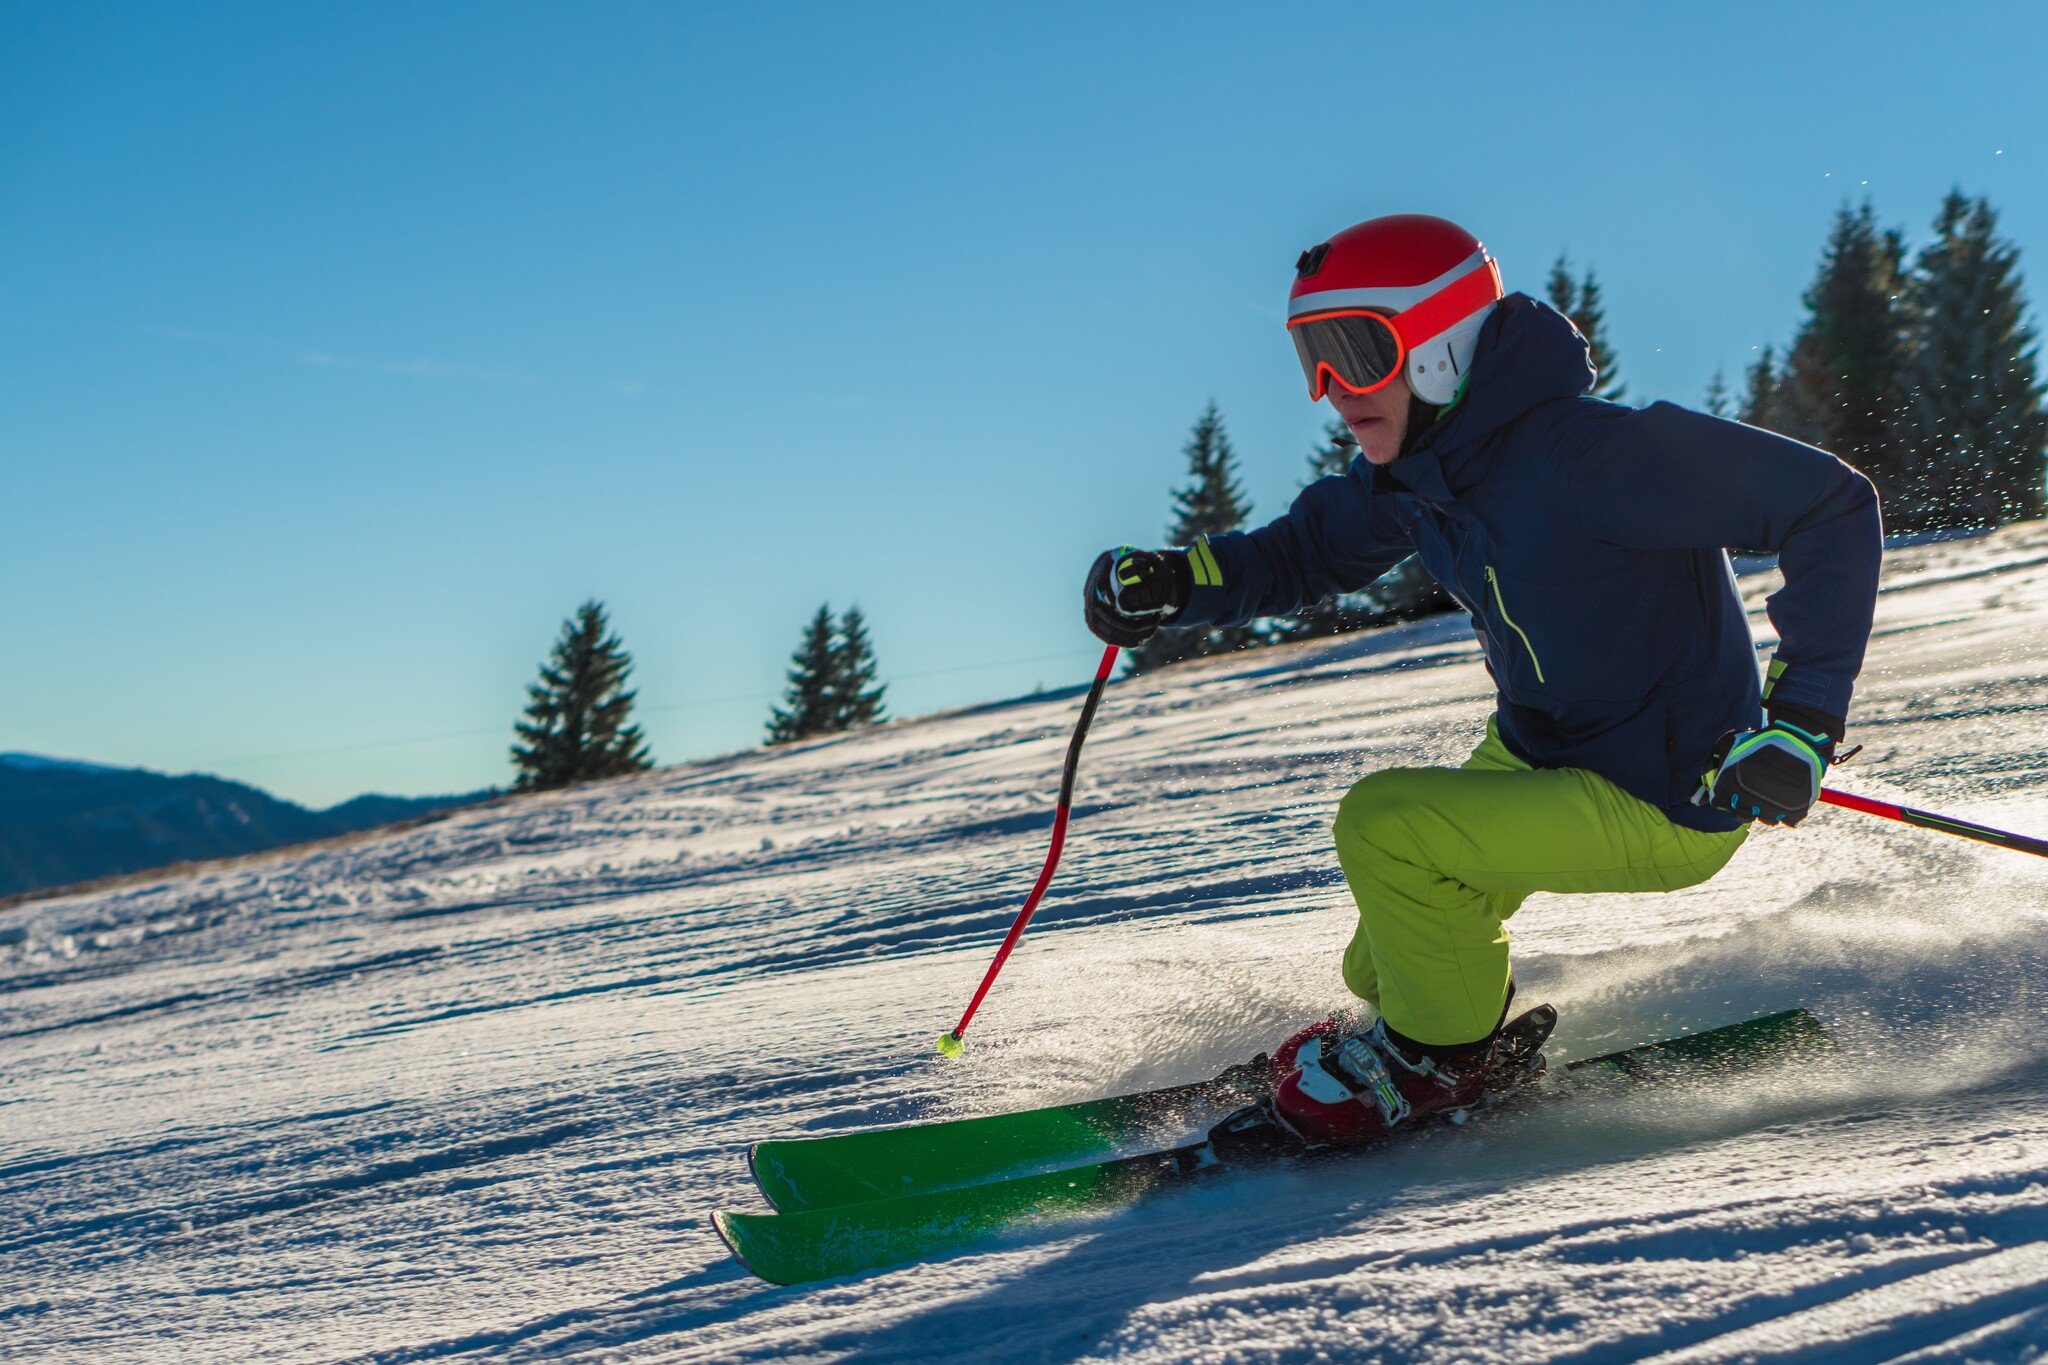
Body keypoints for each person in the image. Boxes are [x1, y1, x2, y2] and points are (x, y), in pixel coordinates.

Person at [1082, 214, 1882, 1146]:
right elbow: (1306, 551)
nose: (1331, 390)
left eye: (1354, 351)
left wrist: (1800, 722)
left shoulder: (1589, 455)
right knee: (1381, 964)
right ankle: (1434, 1027)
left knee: (1389, 831)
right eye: (1314, 357)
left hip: (1667, 789)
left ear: (1441, 343)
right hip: (1545, 752)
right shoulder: (1421, 474)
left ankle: (1438, 1062)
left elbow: (1829, 502)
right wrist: (1179, 581)